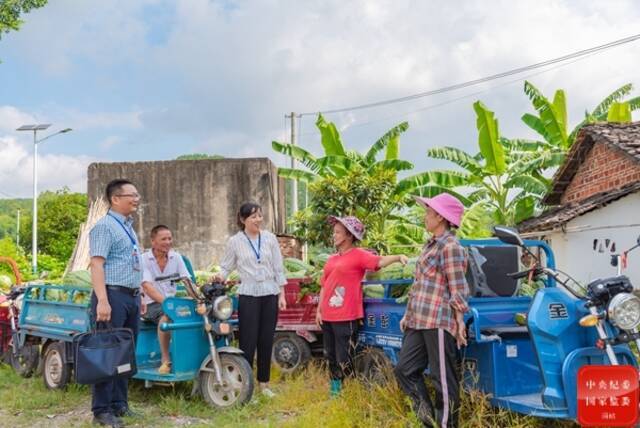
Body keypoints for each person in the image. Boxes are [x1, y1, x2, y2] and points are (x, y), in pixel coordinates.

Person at [394, 193, 470, 428]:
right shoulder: (430, 245)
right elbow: (419, 285)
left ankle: (447, 425)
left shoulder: (450, 246)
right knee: (404, 370)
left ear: (440, 217)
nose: (425, 216)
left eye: (428, 212)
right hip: (419, 319)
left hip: (438, 320)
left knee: (443, 380)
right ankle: (427, 421)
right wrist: (408, 314)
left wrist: (458, 320)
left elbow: (457, 286)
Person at [315, 215, 408, 397]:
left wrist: (398, 257)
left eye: (338, 232)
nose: (334, 235)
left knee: (345, 356)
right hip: (328, 316)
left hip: (346, 316)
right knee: (331, 355)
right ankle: (335, 391)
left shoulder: (359, 255)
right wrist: (319, 310)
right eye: (334, 232)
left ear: (349, 236)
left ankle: (350, 391)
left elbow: (378, 262)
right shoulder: (331, 259)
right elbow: (324, 286)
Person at [212, 201, 287, 397]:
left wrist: (282, 294)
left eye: (260, 215)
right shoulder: (235, 241)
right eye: (253, 216)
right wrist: (220, 276)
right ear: (243, 219)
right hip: (248, 295)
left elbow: (279, 267)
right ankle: (246, 385)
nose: (258, 220)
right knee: (247, 341)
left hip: (270, 293)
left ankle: (264, 384)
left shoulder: (270, 238)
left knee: (266, 340)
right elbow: (226, 266)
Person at [89, 179, 144, 427]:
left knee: (125, 353)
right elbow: (97, 265)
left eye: (136, 194)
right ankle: (102, 410)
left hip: (130, 296)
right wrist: (102, 300)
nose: (136, 198)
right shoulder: (105, 227)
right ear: (115, 199)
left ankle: (120, 404)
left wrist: (139, 294)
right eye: (131, 195)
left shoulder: (129, 227)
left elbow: (131, 262)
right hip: (111, 296)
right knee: (108, 352)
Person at [140, 224, 191, 375]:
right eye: (164, 239)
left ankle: (186, 356)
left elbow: (187, 281)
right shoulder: (144, 259)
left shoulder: (177, 257)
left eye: (170, 238)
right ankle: (165, 357)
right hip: (149, 304)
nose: (168, 242)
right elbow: (148, 287)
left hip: (170, 302)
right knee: (167, 316)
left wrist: (198, 298)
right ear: (153, 241)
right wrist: (169, 304)